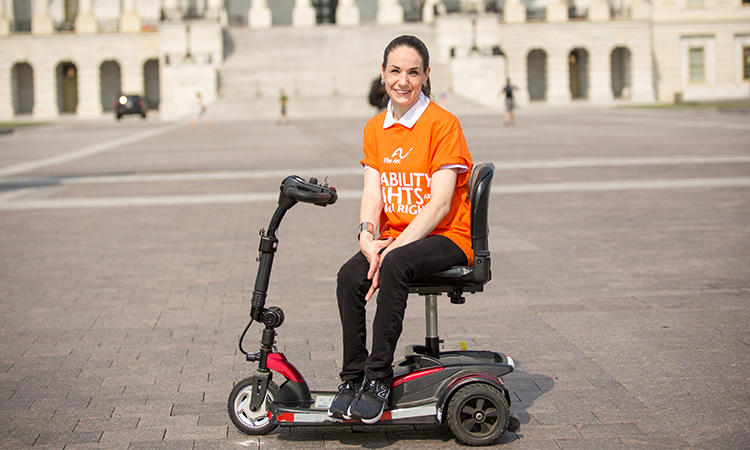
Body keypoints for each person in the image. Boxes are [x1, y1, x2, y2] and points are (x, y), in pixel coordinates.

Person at [328, 35, 474, 424]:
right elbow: (372, 193)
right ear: (382, 74)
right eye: (395, 71)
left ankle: (378, 378)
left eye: (413, 72)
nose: (403, 81)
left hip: (447, 237)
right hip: (397, 237)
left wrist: (391, 250)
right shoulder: (376, 127)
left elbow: (440, 203)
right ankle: (352, 376)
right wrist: (367, 237)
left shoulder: (443, 124)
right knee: (348, 276)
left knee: (394, 265)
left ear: (426, 75)